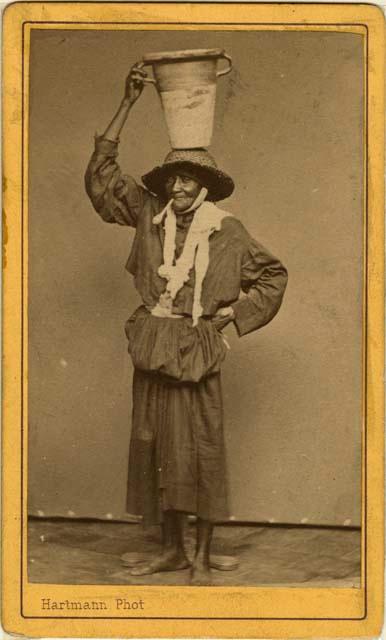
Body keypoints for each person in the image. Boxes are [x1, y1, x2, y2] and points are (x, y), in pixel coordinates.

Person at [85, 62, 288, 585]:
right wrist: (127, 103)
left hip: (196, 349)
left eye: (189, 178)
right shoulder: (149, 215)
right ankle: (171, 552)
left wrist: (229, 317)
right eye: (173, 177)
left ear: (206, 188)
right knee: (155, 446)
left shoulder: (228, 232)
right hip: (154, 344)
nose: (178, 186)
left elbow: (272, 276)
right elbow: (101, 182)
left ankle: (200, 555)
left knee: (199, 448)